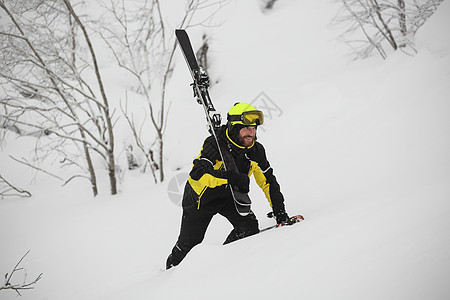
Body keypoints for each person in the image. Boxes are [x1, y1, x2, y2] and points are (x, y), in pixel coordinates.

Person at [166, 102, 290, 269]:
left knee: (249, 227)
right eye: (246, 128)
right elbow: (198, 174)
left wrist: (279, 211)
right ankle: (170, 271)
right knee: (189, 246)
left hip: (228, 196)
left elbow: (268, 181)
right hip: (200, 199)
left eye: (254, 128)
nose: (251, 133)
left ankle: (224, 261)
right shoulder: (214, 144)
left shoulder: (255, 151)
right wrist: (230, 177)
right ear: (233, 128)